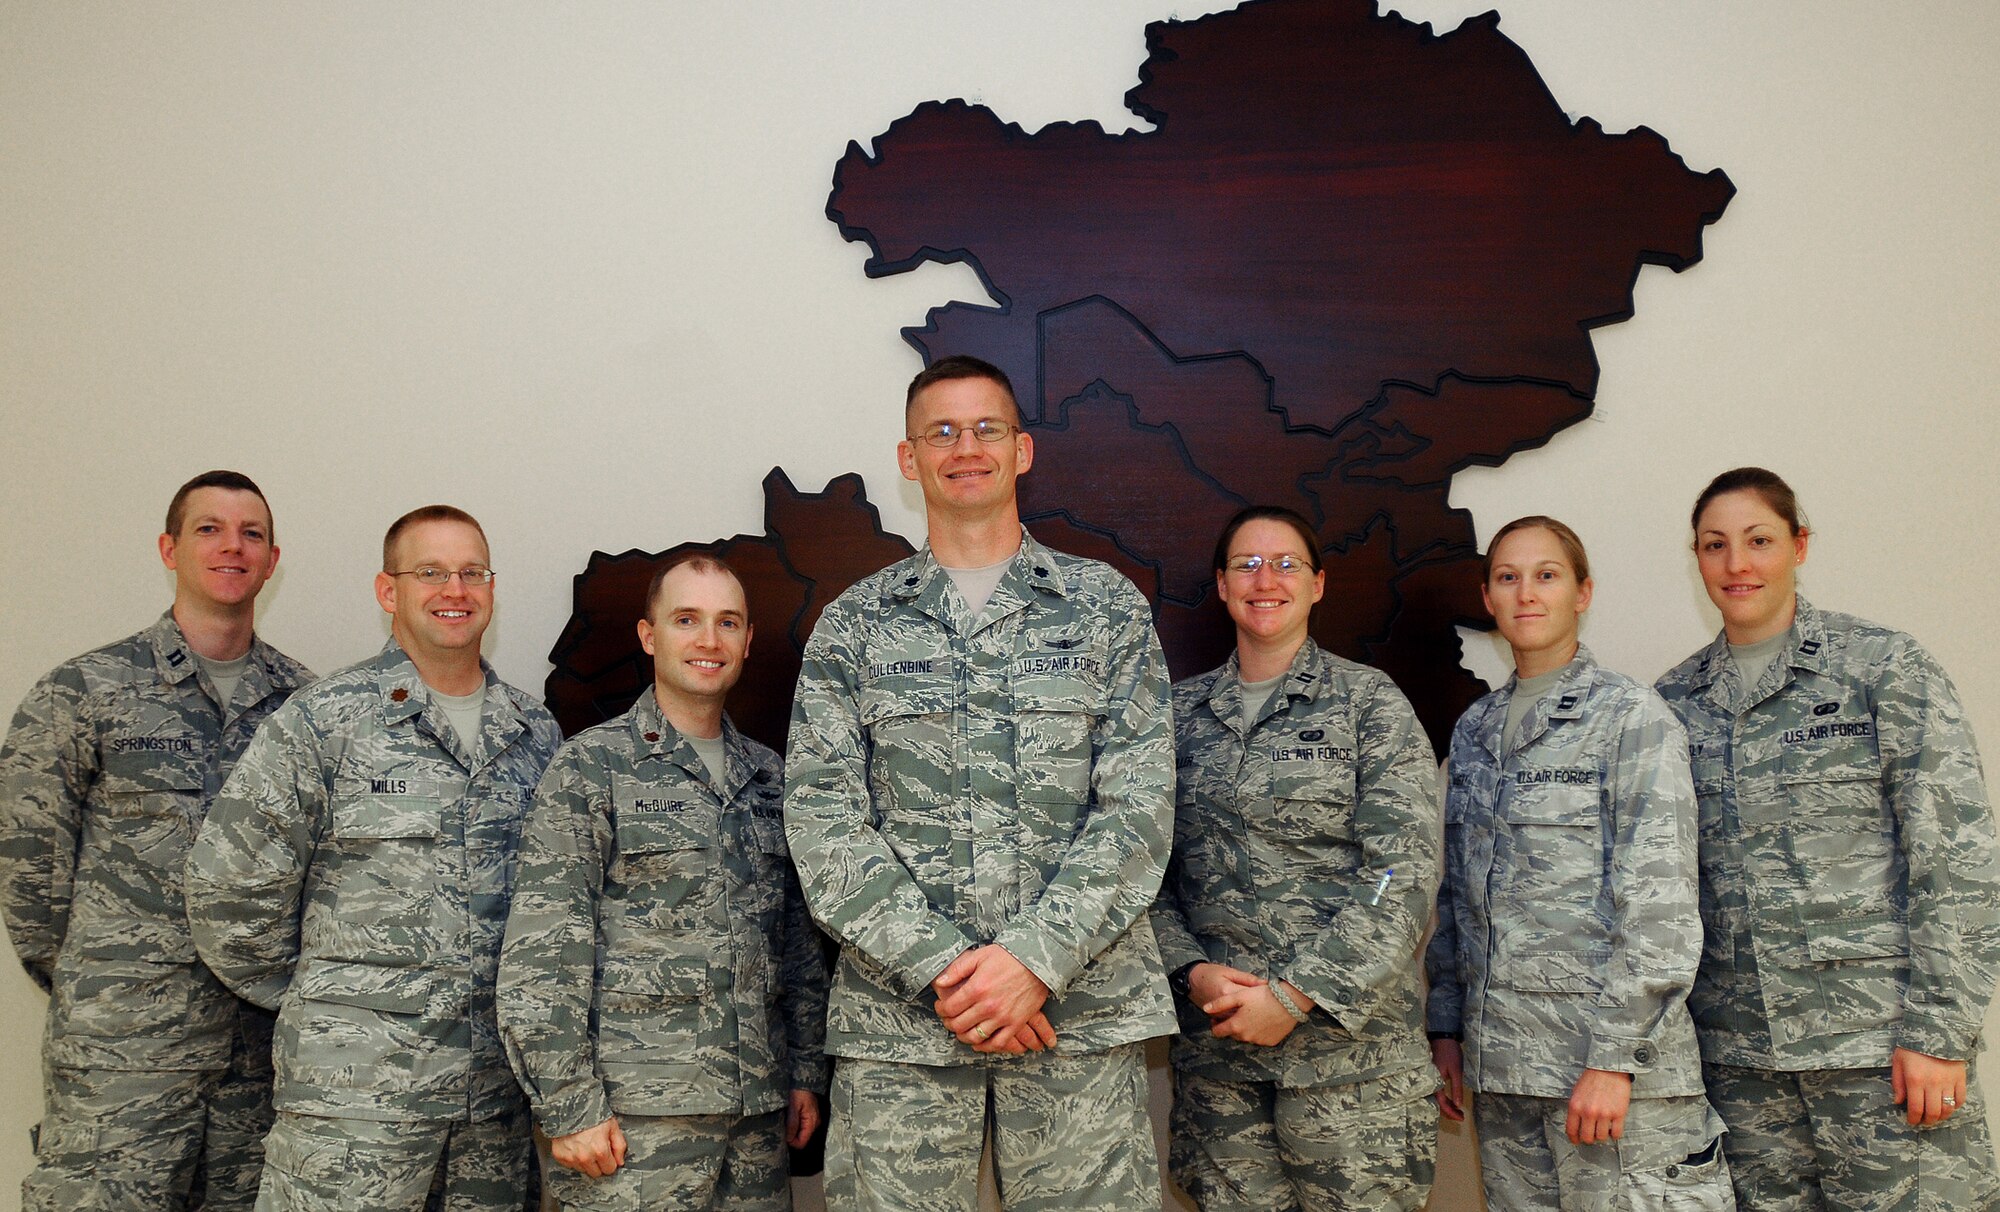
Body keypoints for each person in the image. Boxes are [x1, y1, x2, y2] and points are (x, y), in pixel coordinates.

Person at [784, 354, 1176, 1212]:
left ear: (1023, 450)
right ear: (908, 457)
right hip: (904, 1025)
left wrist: (1033, 962)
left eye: (987, 428)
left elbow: (1139, 811)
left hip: (1076, 1016)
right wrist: (954, 970)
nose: (967, 447)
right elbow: (822, 824)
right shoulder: (854, 624)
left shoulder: (1104, 608)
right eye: (943, 432)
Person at [186, 504, 561, 1211]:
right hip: (354, 1108)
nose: (455, 590)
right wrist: (334, 1003)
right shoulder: (323, 720)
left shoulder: (533, 731)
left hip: (491, 1112)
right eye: (430, 572)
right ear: (389, 591)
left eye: (471, 573)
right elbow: (227, 892)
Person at [1655, 468, 2000, 1210]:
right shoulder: (1672, 705)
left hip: (1880, 1054)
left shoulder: (1881, 668)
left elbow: (1955, 856)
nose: (1737, 564)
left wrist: (1941, 1032)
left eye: (1759, 541)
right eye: (1716, 546)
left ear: (1799, 545)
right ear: (1698, 559)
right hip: (1742, 1070)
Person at [0, 470, 312, 1211]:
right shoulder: (85, 691)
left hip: (256, 1059)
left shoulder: (307, 706)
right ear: (169, 548)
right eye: (210, 529)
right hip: (123, 1056)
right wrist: (110, 980)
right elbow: (29, 877)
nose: (232, 547)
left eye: (252, 533)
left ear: (272, 560)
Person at [497, 553, 830, 1210]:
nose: (708, 641)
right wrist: (568, 1105)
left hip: (755, 1120)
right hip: (631, 1127)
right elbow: (544, 952)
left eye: (727, 622)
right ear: (650, 636)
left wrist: (804, 1069)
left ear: (747, 640)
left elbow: (794, 944)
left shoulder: (769, 778)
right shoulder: (592, 769)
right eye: (687, 619)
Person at [1427, 515, 1734, 1211]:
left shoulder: (1631, 718)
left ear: (1582, 592)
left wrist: (1614, 1060)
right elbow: (1459, 894)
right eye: (1508, 577)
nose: (1526, 593)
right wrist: (1446, 1028)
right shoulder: (1476, 730)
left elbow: (1659, 906)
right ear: (1488, 597)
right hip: (1506, 1075)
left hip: (1610, 1078)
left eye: (1547, 575)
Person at [1150, 505, 1441, 1211]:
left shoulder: (1369, 705)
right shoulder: (1176, 717)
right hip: (1222, 1074)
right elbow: (1142, 875)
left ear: (1317, 584)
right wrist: (1189, 971)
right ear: (1221, 586)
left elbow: (1400, 872)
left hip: (1352, 1073)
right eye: (1246, 564)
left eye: (1285, 564)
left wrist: (1295, 994)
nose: (1265, 579)